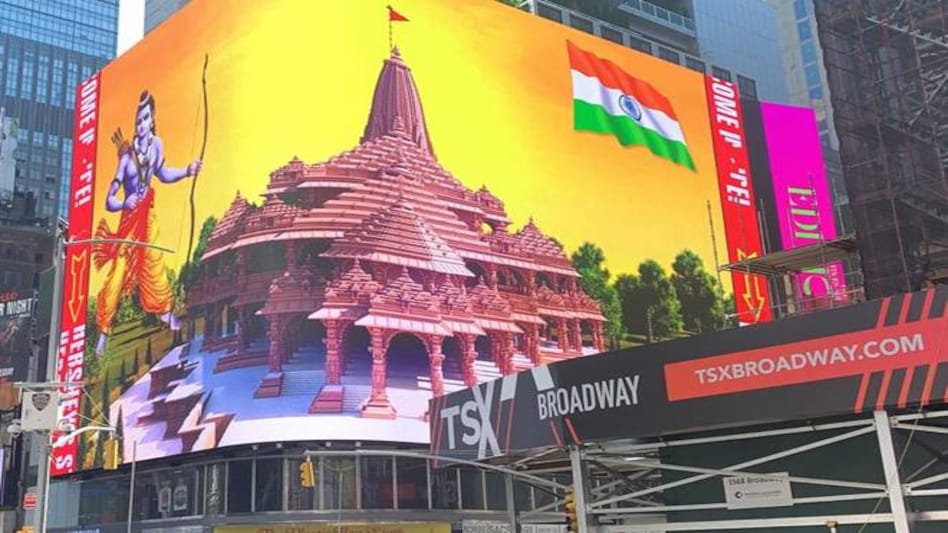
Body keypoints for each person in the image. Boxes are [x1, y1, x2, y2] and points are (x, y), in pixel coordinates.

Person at [92, 90, 202, 355]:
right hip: (128, 222)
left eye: (144, 119)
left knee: (153, 261)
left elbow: (163, 173)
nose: (140, 125)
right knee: (117, 274)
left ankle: (165, 312)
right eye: (137, 121)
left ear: (152, 120)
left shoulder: (157, 145)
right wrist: (123, 203)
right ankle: (104, 331)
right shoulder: (126, 158)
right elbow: (110, 200)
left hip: (147, 216)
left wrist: (187, 171)